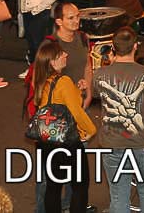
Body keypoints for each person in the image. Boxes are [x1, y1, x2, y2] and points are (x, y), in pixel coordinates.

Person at [92, 26, 144, 213]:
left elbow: (95, 95)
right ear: (135, 46)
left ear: (113, 47)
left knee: (119, 194)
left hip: (112, 143)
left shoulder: (100, 74)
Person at [30, 41, 96, 213]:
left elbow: (57, 102)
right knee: (80, 186)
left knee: (53, 186)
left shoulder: (41, 81)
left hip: (47, 141)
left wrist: (77, 90)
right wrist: (90, 131)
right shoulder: (63, 81)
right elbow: (76, 111)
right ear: (52, 62)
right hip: (67, 142)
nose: (66, 55)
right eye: (61, 54)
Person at [44, 3, 92, 107]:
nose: (76, 21)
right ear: (59, 21)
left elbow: (87, 67)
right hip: (60, 103)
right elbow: (43, 79)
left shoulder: (83, 37)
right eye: (71, 18)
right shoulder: (50, 45)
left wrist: (88, 93)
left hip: (81, 98)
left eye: (77, 16)